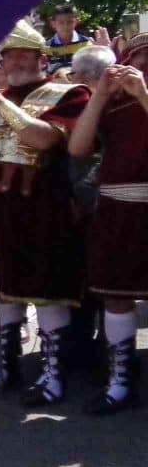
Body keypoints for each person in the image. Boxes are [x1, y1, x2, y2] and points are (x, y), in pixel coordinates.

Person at [0, 20, 91, 404]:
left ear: (40, 57)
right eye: (8, 54)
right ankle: (3, 366)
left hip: (41, 209)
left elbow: (42, 138)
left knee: (47, 292)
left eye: (21, 53)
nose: (13, 60)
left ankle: (53, 375)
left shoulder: (67, 93)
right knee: (1, 292)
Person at [67, 39, 147, 415]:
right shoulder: (112, 103)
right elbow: (78, 148)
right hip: (117, 205)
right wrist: (100, 95)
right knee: (117, 295)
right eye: (138, 61)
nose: (142, 68)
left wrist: (143, 94)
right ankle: (120, 380)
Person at [45, 4, 93, 74]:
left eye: (70, 22)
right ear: (53, 24)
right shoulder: (46, 47)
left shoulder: (86, 44)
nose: (66, 26)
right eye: (61, 22)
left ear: (76, 22)